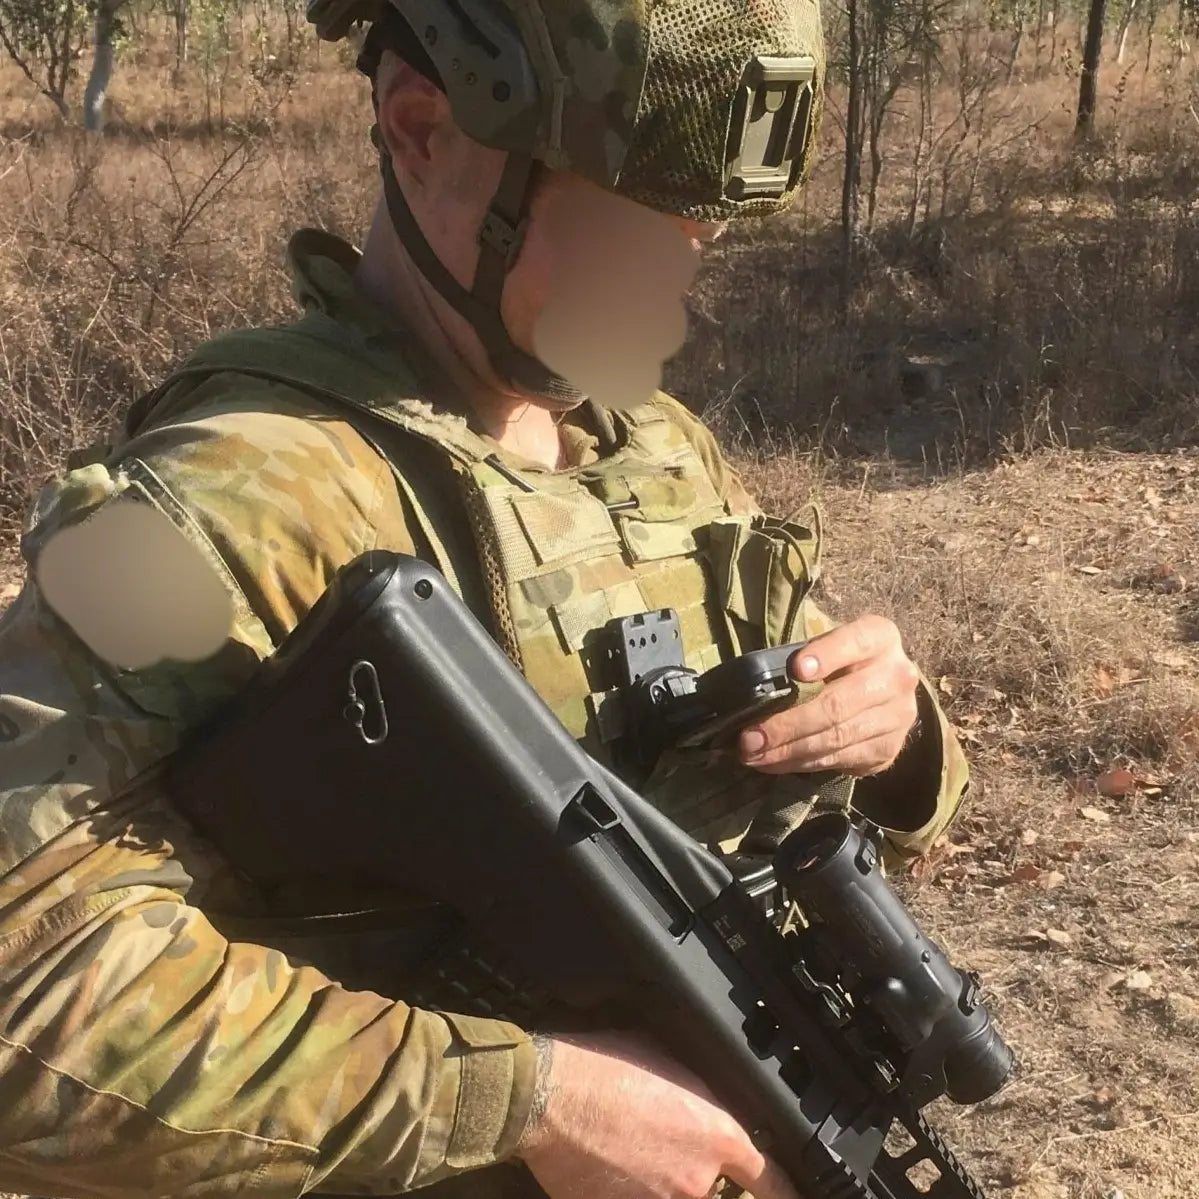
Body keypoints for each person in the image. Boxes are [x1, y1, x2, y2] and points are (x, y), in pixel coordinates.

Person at [0, 1, 970, 1197]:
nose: (662, 280)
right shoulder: (190, 508)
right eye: (619, 226)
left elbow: (854, 777)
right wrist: (533, 1100)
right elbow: (27, 994)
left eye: (695, 239)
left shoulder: (652, 450)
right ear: (419, 127)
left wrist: (896, 729)